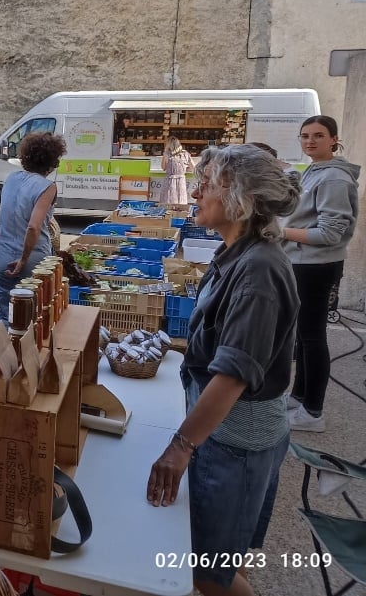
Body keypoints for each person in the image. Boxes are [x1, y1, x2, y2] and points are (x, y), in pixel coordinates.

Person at [147, 144, 301, 595]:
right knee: (229, 556)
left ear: (240, 200)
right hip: (230, 437)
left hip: (235, 441)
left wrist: (180, 447)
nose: (196, 192)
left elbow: (233, 375)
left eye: (208, 185)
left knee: (208, 573)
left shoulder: (257, 270)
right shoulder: (239, 252)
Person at [280, 115, 360, 432]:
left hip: (316, 266)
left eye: (318, 135)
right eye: (305, 136)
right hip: (302, 263)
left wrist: (283, 233)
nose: (310, 141)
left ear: (333, 139)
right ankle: (299, 397)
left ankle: (313, 412)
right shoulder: (314, 171)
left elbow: (330, 233)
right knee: (303, 336)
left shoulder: (334, 179)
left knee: (312, 338)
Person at [0, 131, 67, 326]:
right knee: (32, 319)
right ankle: (23, 356)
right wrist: (23, 259)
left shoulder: (11, 179)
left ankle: (0, 355)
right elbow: (33, 227)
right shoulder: (47, 187)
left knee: (5, 314)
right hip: (32, 262)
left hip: (3, 257)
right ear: (52, 162)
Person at [160, 136, 196, 205]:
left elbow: (163, 167)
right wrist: (184, 168)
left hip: (169, 181)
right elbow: (193, 167)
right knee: (180, 200)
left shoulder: (167, 154)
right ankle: (180, 215)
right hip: (181, 180)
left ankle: (168, 215)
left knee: (168, 201)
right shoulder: (185, 154)